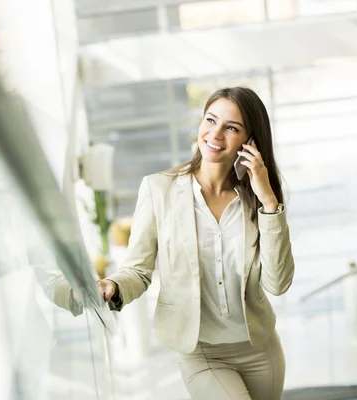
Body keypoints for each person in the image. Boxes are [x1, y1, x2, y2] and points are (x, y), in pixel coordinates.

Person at [97, 87, 295, 400]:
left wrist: (268, 201)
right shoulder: (158, 189)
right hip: (202, 354)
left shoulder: (257, 198)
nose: (215, 134)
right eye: (210, 120)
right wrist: (113, 286)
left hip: (261, 349)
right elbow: (138, 269)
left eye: (231, 127)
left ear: (251, 142)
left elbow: (278, 283)